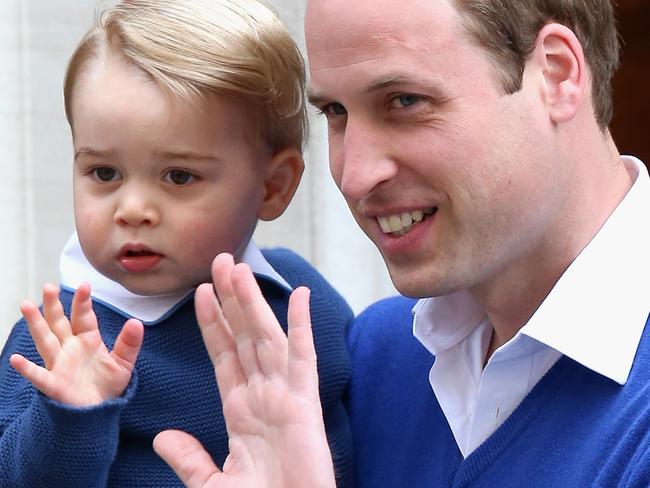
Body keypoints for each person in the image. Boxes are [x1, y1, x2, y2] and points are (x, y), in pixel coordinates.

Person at [154, 0, 650, 487]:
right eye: (336, 112)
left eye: (405, 102)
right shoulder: (374, 359)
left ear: (556, 75)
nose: (355, 176)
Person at [0, 0, 354, 486]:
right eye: (104, 172)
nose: (132, 209)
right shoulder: (63, 339)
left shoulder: (298, 300)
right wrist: (70, 413)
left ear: (273, 186)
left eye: (179, 176)